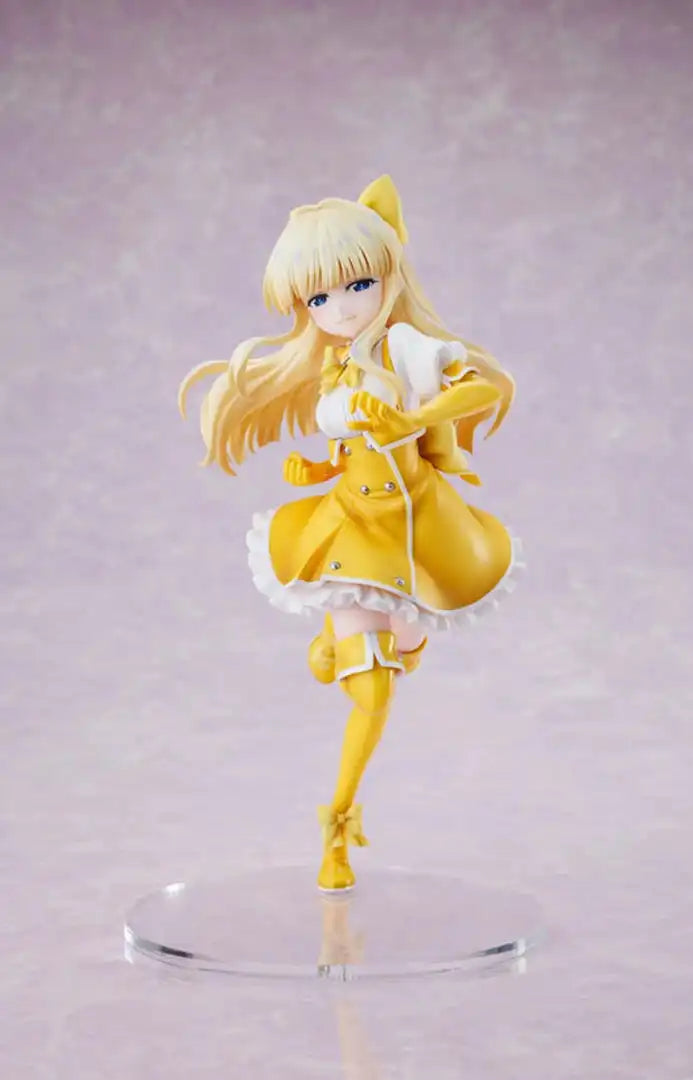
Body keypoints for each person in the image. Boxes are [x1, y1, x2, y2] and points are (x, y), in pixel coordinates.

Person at [179, 175, 521, 891]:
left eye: (358, 285)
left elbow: (480, 386)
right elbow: (348, 446)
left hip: (415, 526)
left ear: (388, 275)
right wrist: (316, 467)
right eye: (319, 298)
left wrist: (414, 420)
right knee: (372, 693)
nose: (340, 308)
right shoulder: (334, 365)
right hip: (351, 528)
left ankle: (369, 643)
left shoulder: (405, 347)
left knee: (405, 646)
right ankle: (337, 825)